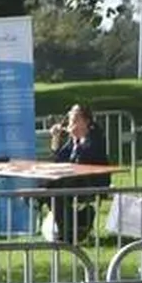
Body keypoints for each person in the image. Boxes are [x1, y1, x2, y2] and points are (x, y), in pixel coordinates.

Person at [46, 104, 111, 244]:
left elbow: (86, 157)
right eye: (70, 119)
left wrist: (78, 139)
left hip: (92, 181)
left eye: (75, 119)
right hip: (73, 180)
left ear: (86, 121)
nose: (71, 123)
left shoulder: (94, 136)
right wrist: (56, 138)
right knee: (48, 187)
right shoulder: (73, 139)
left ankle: (70, 231)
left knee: (53, 189)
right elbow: (58, 159)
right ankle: (69, 228)